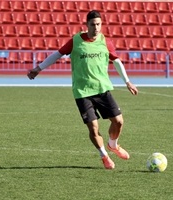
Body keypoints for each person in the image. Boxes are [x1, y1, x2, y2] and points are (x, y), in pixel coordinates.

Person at [27, 10, 138, 169]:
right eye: (93, 25)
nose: (96, 28)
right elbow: (57, 54)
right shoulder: (76, 41)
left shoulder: (105, 41)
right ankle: (104, 155)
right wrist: (38, 68)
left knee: (119, 121)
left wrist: (128, 82)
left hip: (102, 89)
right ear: (87, 25)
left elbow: (117, 61)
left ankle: (113, 145)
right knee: (93, 127)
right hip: (83, 92)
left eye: (99, 24)